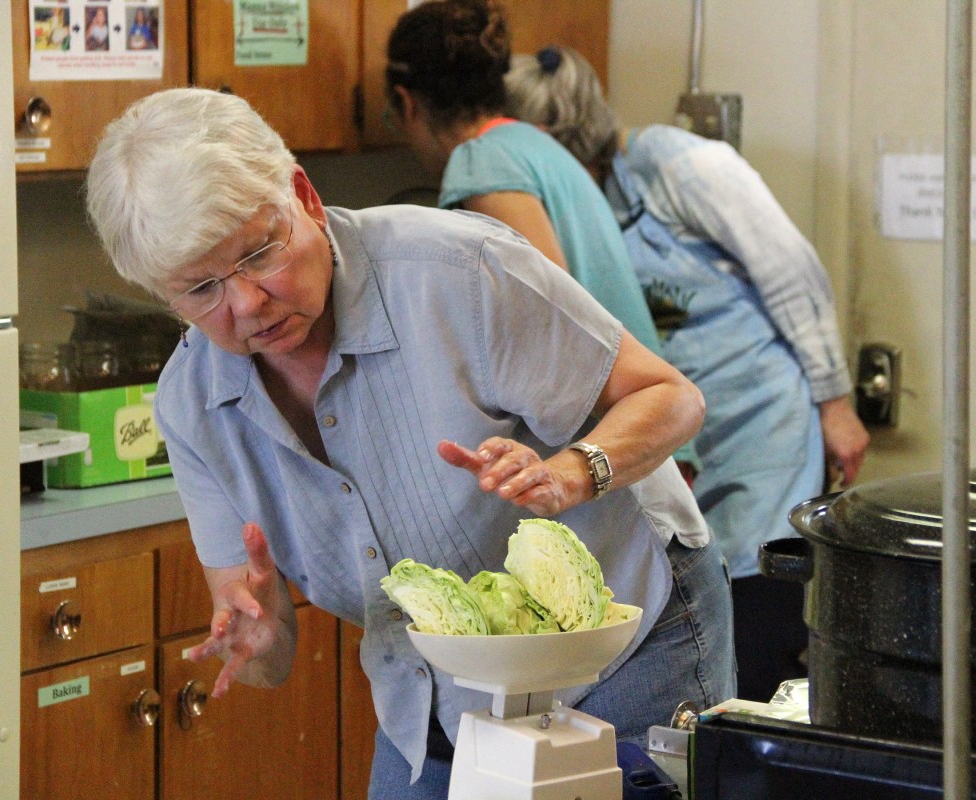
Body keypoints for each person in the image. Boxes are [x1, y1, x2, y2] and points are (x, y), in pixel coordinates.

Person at [84, 87, 735, 799]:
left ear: (303, 196)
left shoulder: (456, 272)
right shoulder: (193, 403)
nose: (245, 304)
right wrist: (260, 642)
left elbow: (672, 398)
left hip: (618, 641)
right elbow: (263, 647)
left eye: (259, 254)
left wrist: (571, 473)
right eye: (201, 289)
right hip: (431, 688)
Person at [506, 45, 871, 701]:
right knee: (698, 614)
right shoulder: (578, 206)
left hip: (760, 432)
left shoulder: (680, 163)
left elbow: (793, 270)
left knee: (757, 627)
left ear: (551, 142)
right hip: (678, 437)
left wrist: (835, 404)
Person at [382, 0, 703, 474]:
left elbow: (546, 318)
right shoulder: (531, 144)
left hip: (619, 449)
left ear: (406, 103)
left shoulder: (481, 163)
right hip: (648, 435)